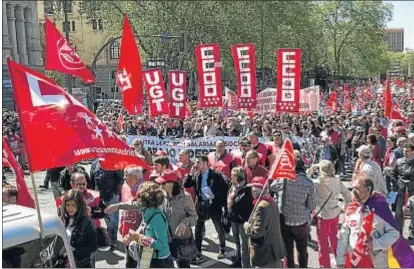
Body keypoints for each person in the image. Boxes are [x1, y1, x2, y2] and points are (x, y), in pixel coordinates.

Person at [336, 175, 402, 268]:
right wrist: (340, 259)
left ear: (368, 189)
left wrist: (375, 244)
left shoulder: (381, 209)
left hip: (376, 262)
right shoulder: (352, 208)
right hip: (354, 261)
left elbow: (394, 233)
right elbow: (343, 236)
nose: (353, 191)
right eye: (353, 188)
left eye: (357, 188)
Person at [270, 156, 315, 268]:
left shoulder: (282, 180)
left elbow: (271, 187)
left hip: (285, 221)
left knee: (287, 252)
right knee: (302, 250)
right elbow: (311, 206)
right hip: (301, 222)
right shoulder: (308, 183)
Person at [184, 155, 229, 263]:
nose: (196, 165)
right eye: (196, 162)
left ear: (205, 163)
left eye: (198, 162)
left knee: (219, 227)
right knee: (198, 229)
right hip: (201, 205)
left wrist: (221, 203)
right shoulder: (196, 174)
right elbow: (186, 184)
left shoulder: (215, 175)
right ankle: (198, 251)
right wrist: (190, 173)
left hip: (213, 206)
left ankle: (222, 248)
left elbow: (224, 189)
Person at [308, 160, 351, 268]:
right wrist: (344, 208)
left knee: (322, 244)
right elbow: (347, 195)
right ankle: (340, 261)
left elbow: (305, 179)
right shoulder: (337, 180)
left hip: (323, 216)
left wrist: (311, 169)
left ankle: (325, 265)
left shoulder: (318, 182)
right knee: (334, 238)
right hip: (335, 213)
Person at [155, 170, 198, 268]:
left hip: (182, 241)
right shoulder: (162, 197)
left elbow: (194, 217)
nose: (160, 185)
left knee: (183, 266)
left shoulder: (186, 197)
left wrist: (184, 222)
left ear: (171, 184)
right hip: (166, 239)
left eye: (163, 183)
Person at [129, 182, 174, 268]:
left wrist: (139, 238)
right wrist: (134, 236)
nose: (138, 200)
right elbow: (143, 225)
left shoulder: (157, 218)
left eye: (140, 198)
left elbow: (162, 245)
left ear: (146, 200)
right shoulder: (146, 211)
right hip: (147, 253)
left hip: (159, 261)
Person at [244, 177, 286, 268]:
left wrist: (247, 226)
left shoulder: (261, 206)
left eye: (256, 188)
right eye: (252, 187)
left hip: (266, 253)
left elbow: (257, 232)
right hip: (274, 250)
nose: (253, 190)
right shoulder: (272, 202)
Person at [90, 159, 124, 249]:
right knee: (105, 217)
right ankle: (108, 238)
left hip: (112, 195)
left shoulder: (115, 162)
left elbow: (121, 179)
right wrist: (94, 194)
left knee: (113, 220)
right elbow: (92, 179)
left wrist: (116, 192)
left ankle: (113, 241)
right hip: (99, 196)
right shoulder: (94, 163)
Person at [60, 189, 98, 268]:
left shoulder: (87, 222)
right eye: (67, 205)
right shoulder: (63, 219)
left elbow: (93, 247)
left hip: (80, 263)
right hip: (64, 262)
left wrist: (73, 253)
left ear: (79, 205)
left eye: (73, 205)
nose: (70, 208)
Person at [227, 167, 253, 268]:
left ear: (238, 176)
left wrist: (233, 197)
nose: (231, 177)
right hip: (234, 218)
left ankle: (245, 265)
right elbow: (228, 197)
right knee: (236, 242)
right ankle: (238, 261)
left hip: (242, 220)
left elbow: (238, 203)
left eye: (232, 175)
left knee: (244, 245)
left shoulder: (246, 189)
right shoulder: (232, 186)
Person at [391, 142, 414, 237]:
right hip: (400, 190)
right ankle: (398, 231)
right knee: (398, 212)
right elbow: (393, 173)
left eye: (407, 151)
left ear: (413, 151)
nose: (405, 153)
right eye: (404, 151)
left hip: (412, 191)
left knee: (413, 212)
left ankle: (412, 231)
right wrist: (396, 184)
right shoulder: (399, 161)